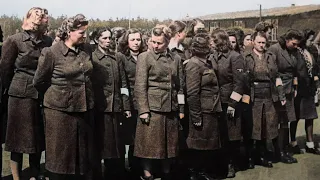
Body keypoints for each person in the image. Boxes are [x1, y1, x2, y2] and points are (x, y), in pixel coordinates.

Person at [33, 14, 94, 180]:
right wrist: (60, 95)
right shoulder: (51, 53)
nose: (85, 35)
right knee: (60, 154)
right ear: (69, 32)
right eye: (81, 32)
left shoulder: (86, 50)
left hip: (83, 108)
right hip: (59, 112)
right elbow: (39, 81)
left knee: (81, 155)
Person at [0, 7, 51, 180]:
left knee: (37, 138)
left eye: (43, 18)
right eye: (38, 17)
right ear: (29, 19)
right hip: (19, 96)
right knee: (17, 140)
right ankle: (16, 176)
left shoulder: (48, 41)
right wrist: (13, 89)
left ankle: (34, 174)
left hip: (41, 95)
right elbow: (5, 70)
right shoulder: (14, 40)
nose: (41, 20)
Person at [134, 24, 184, 180]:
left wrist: (181, 108)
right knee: (148, 145)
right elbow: (140, 86)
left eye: (159, 43)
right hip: (153, 109)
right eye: (153, 42)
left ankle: (166, 173)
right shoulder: (145, 57)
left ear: (168, 41)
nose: (155, 46)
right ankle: (147, 174)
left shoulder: (176, 58)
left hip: (171, 108)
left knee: (169, 145)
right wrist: (143, 110)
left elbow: (180, 86)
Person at [91, 27, 129, 179]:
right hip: (99, 109)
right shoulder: (92, 57)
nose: (108, 41)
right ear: (96, 40)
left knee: (115, 146)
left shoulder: (117, 57)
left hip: (116, 108)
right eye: (104, 38)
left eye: (110, 38)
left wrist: (125, 105)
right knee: (99, 145)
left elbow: (124, 84)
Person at [243, 31, 286, 169]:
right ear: (253, 42)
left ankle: (262, 156)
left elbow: (277, 77)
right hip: (253, 96)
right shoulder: (246, 57)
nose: (261, 45)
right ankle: (250, 157)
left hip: (269, 95)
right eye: (259, 42)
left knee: (267, 126)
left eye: (263, 42)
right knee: (253, 127)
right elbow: (243, 80)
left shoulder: (271, 57)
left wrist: (281, 94)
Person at [185, 33, 222, 180]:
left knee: (207, 144)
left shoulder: (206, 63)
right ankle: (197, 173)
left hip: (210, 109)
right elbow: (192, 93)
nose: (213, 47)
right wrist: (196, 116)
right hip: (203, 111)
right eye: (210, 45)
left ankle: (202, 172)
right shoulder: (193, 64)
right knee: (199, 144)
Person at [210, 29, 245, 178]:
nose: (210, 44)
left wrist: (233, 104)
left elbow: (239, 83)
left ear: (220, 42)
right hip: (216, 101)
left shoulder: (235, 57)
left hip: (230, 102)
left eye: (213, 41)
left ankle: (231, 164)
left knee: (232, 134)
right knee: (220, 134)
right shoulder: (213, 56)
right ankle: (220, 164)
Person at [269, 29, 303, 164]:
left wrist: (294, 86)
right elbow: (273, 72)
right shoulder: (275, 49)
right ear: (287, 40)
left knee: (286, 121)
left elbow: (295, 71)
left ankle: (283, 150)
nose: (296, 47)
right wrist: (281, 92)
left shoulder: (293, 51)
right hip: (277, 89)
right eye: (294, 44)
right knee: (278, 121)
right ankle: (278, 152)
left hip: (289, 90)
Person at [117, 28, 145, 177]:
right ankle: (124, 169)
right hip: (129, 102)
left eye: (138, 39)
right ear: (126, 41)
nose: (136, 43)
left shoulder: (145, 56)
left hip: (144, 102)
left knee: (141, 137)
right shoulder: (121, 57)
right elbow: (122, 83)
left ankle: (138, 168)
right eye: (132, 40)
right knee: (128, 137)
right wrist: (126, 105)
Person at [289, 29, 320, 155]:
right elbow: (294, 70)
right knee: (295, 117)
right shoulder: (296, 53)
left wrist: (316, 82)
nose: (311, 41)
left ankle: (310, 144)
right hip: (298, 89)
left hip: (309, 90)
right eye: (309, 39)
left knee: (310, 116)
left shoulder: (310, 52)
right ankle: (293, 143)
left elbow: (315, 68)